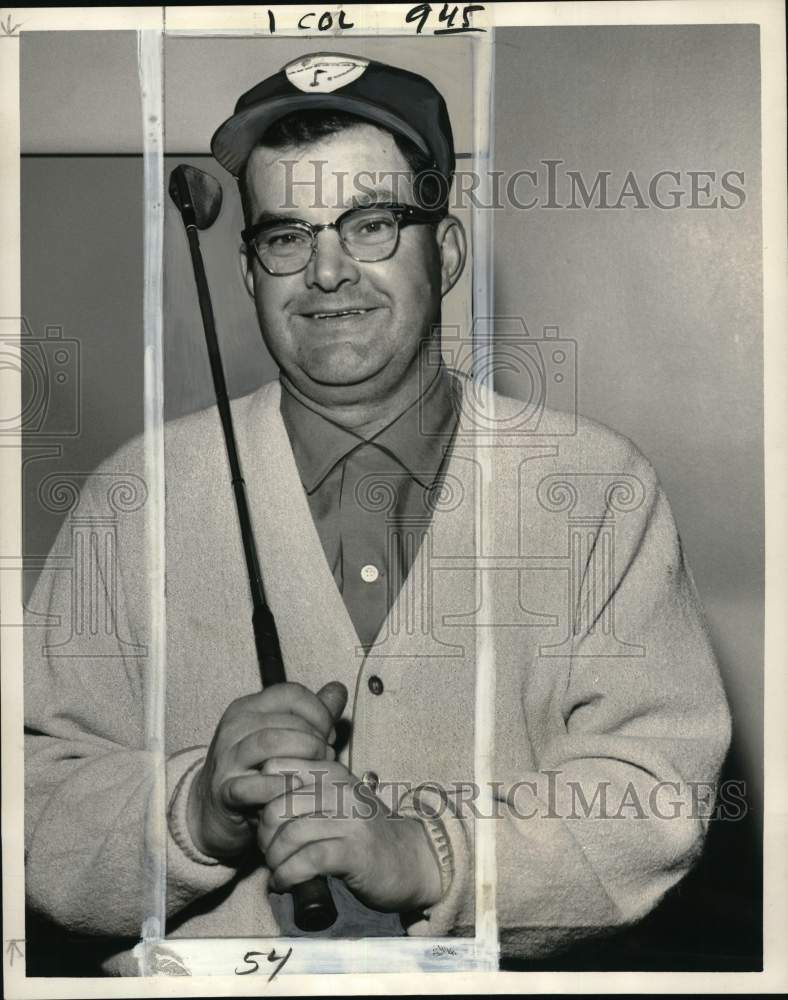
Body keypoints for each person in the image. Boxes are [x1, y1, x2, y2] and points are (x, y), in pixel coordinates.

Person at [24, 52, 731, 975]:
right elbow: (32, 805)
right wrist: (192, 811)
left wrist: (433, 856)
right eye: (286, 237)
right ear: (248, 274)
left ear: (445, 252)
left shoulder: (596, 485)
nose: (325, 272)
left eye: (370, 225)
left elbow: (654, 794)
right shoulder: (134, 495)